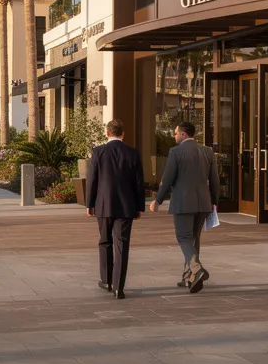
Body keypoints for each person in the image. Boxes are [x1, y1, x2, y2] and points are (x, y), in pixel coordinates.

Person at [149, 121, 220, 293]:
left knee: (183, 237)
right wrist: (214, 202)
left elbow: (167, 179)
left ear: (183, 134)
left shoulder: (176, 152)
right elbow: (215, 180)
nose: (174, 136)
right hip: (203, 203)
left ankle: (196, 268)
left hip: (183, 203)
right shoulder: (207, 151)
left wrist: (157, 200)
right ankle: (189, 278)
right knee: (194, 239)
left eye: (175, 133)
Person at [85, 119, 145, 299]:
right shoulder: (132, 153)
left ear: (107, 133)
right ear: (123, 133)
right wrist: (139, 206)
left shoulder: (98, 152)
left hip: (104, 205)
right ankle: (119, 287)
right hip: (126, 206)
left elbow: (92, 180)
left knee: (105, 241)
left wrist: (89, 204)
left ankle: (107, 280)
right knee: (122, 245)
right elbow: (139, 182)